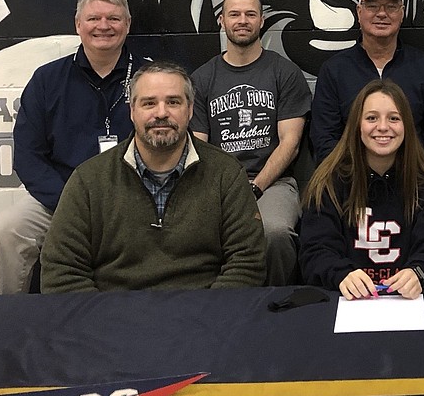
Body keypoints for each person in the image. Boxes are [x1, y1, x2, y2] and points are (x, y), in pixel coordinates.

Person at [41, 61, 266, 292]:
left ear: (190, 110)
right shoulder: (88, 180)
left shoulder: (226, 173)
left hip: (202, 315)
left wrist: (206, 317)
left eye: (173, 102)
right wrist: (105, 322)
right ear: (132, 111)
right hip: (113, 317)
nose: (161, 113)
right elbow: (62, 271)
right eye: (149, 103)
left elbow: (247, 263)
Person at [0, 0, 149, 294]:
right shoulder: (47, 80)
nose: (103, 26)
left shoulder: (151, 77)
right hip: (58, 201)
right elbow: (28, 157)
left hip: (134, 201)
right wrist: (70, 204)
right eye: (94, 18)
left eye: (114, 18)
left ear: (127, 24)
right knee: (6, 231)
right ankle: (2, 321)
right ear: (78, 25)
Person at [190, 0, 311, 285]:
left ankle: (277, 304)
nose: (242, 21)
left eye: (250, 14)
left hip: (274, 183)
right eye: (234, 14)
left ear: (261, 20)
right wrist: (226, 190)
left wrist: (255, 188)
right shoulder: (202, 79)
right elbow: (199, 147)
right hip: (217, 183)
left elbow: (290, 143)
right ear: (221, 21)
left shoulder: (285, 73)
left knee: (275, 233)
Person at [300, 79, 424, 299]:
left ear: (406, 126)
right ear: (356, 125)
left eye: (394, 118)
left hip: (409, 301)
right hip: (346, 300)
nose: (383, 127)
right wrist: (341, 274)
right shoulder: (328, 183)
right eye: (372, 118)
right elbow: (314, 251)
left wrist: (419, 271)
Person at [310, 0, 424, 174]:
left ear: (402, 13)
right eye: (373, 6)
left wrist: (413, 178)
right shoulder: (334, 71)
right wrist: (355, 179)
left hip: (414, 183)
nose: (382, 14)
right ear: (359, 12)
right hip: (350, 184)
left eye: (391, 7)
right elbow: (324, 138)